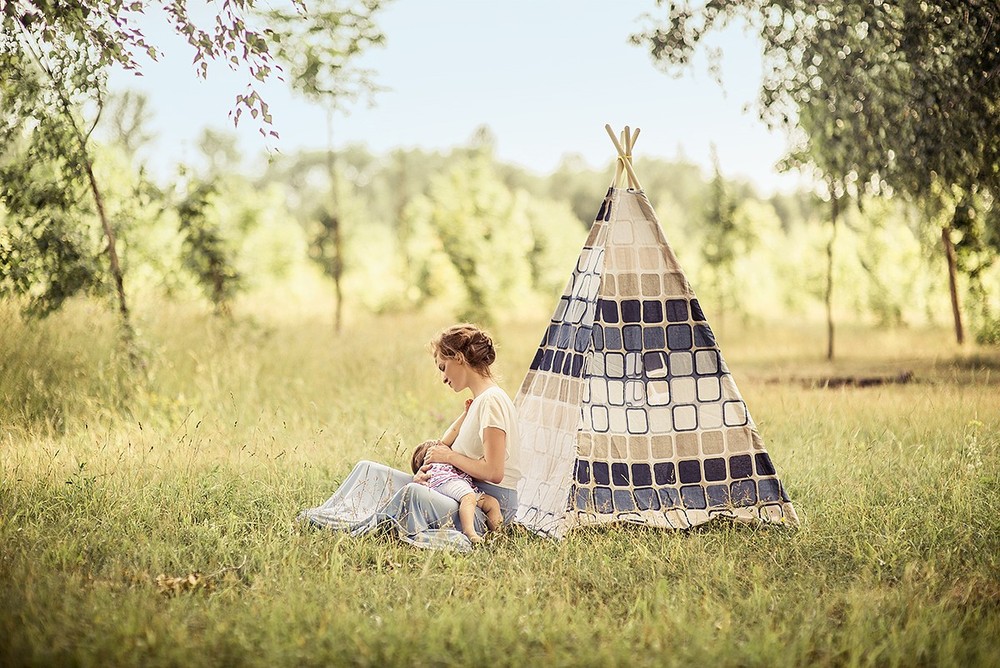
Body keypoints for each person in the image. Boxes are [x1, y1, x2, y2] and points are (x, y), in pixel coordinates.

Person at [298, 323, 522, 552]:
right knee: (368, 470)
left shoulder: (492, 401)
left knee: (412, 494)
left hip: (482, 507)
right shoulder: (478, 402)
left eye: (443, 367)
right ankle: (332, 517)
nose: (444, 378)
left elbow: (494, 472)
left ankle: (359, 530)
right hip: (459, 489)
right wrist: (433, 475)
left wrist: (449, 458)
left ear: (459, 358)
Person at [409, 439, 503, 544]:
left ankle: (497, 535)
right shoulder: (436, 466)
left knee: (491, 502)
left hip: (456, 483)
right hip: (444, 481)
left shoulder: (451, 461)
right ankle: (469, 532)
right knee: (468, 497)